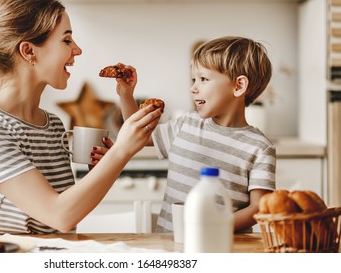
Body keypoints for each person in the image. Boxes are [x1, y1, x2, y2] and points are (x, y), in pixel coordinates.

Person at [0, 0, 162, 234]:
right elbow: (59, 215)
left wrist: (106, 167)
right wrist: (121, 151)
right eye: (67, 40)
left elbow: (62, 220)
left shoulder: (51, 124)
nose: (78, 50)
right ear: (29, 51)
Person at [115, 36, 276, 233]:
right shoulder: (186, 125)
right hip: (170, 247)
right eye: (194, 79)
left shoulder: (259, 147)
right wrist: (126, 95)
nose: (193, 88)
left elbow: (258, 208)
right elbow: (137, 133)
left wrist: (213, 227)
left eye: (204, 79)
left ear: (238, 86)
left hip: (222, 249)